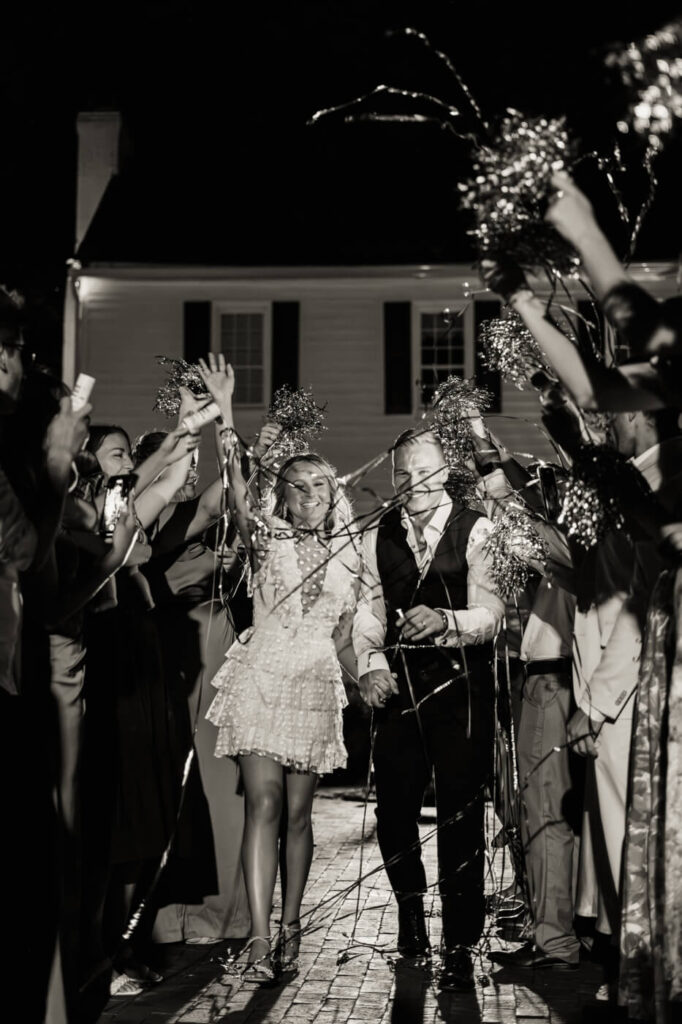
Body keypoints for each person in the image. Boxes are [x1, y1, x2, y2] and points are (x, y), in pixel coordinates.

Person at [200, 352, 360, 983]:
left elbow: (352, 631)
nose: (313, 497)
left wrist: (363, 670)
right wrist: (225, 414)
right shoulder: (267, 537)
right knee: (263, 802)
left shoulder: (352, 555)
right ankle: (260, 939)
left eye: (321, 487)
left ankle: (292, 922)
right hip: (262, 677)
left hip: (315, 683)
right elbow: (238, 485)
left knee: (298, 814)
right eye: (301, 489)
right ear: (285, 500)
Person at [352, 427, 504, 992]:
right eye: (401, 473)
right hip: (399, 691)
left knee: (459, 817)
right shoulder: (378, 533)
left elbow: (492, 614)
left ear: (444, 472)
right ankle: (411, 919)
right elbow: (368, 610)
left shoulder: (477, 528)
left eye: (421, 471)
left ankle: (461, 941)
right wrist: (369, 663)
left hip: (461, 690)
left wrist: (448, 621)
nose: (411, 483)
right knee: (392, 812)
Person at [134, 418, 277, 946]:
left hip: (220, 648)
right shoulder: (154, 520)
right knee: (174, 784)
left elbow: (233, 519)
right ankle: (168, 917)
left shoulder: (196, 519)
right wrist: (253, 450)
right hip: (175, 648)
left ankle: (223, 913)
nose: (190, 476)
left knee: (223, 783)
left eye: (193, 467)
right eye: (180, 465)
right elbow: (215, 504)